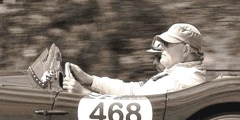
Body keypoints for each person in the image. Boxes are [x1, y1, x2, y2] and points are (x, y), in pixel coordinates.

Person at [65, 23, 206, 95]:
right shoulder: (177, 74)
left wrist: (83, 94)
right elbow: (133, 91)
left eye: (167, 44)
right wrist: (90, 80)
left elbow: (132, 106)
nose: (162, 48)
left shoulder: (180, 80)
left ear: (186, 50)